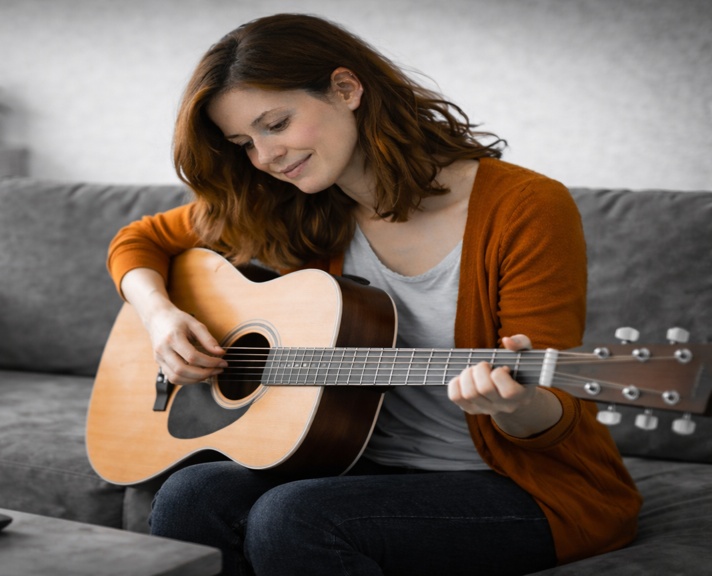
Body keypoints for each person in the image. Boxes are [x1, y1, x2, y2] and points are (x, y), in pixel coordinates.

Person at [106, 13, 641, 576]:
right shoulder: (290, 201)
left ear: (346, 88)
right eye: (245, 142)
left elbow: (552, 413)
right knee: (193, 493)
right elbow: (137, 241)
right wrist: (161, 317)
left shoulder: (525, 208)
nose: (265, 158)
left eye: (277, 123)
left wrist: (513, 405)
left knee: (295, 516)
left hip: (522, 489)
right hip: (356, 463)